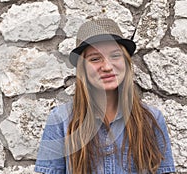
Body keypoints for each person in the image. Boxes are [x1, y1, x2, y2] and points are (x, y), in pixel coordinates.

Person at [34, 18, 175, 174]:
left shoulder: (151, 119)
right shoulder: (60, 121)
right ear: (83, 69)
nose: (107, 67)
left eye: (115, 56)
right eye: (95, 59)